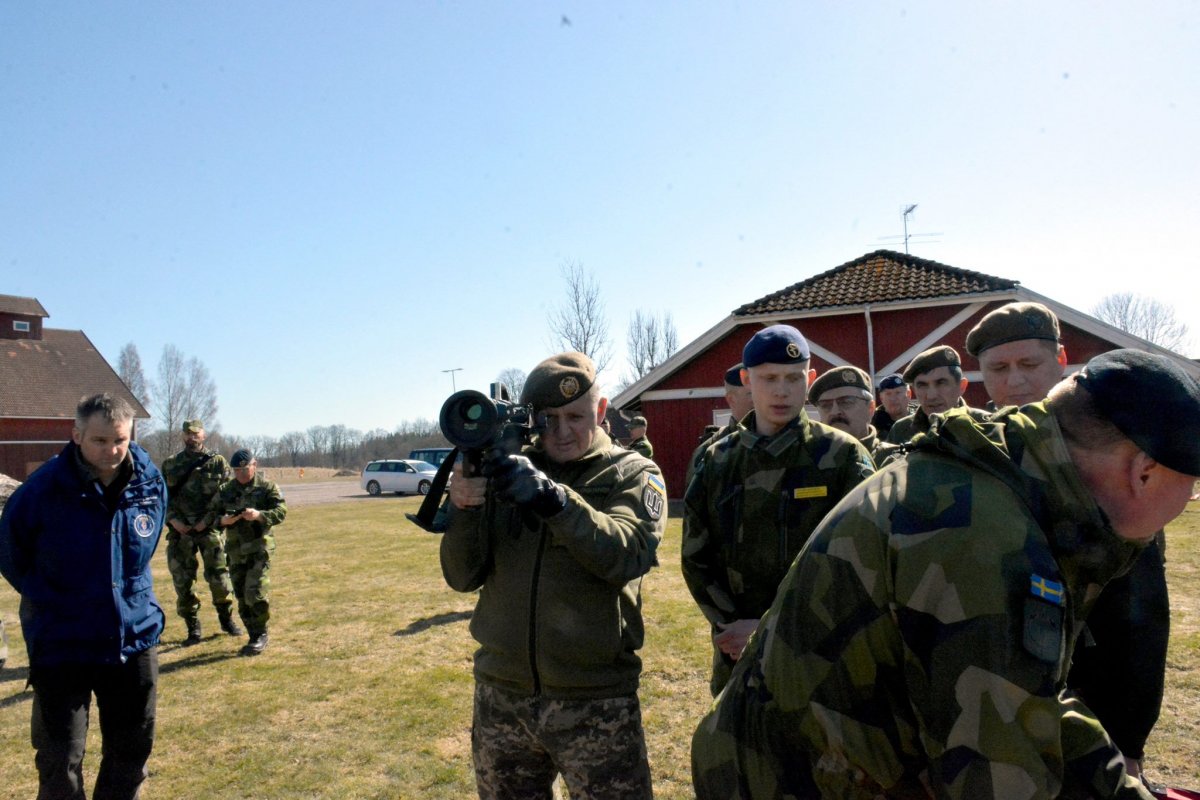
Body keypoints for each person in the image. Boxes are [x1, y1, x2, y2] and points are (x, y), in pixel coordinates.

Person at [691, 349, 1200, 800]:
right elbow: (998, 780)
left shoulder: (1006, 487)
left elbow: (1027, 696)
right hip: (781, 778)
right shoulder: (984, 538)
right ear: (1144, 472)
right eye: (1191, 486)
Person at [440, 351, 666, 799]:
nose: (562, 432)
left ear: (601, 411)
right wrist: (465, 507)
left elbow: (628, 554)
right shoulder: (506, 470)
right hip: (502, 697)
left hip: (595, 700)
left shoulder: (631, 472)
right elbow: (462, 576)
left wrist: (556, 502)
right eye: (548, 420)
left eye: (576, 417)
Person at [967, 302, 1169, 774]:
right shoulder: (975, 453)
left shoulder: (1109, 458)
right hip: (994, 695)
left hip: (1087, 698)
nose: (1015, 381)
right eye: (998, 369)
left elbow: (1139, 621)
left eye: (1029, 364)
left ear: (1061, 361)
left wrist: (1128, 742)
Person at [682, 325, 875, 696]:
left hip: (820, 655)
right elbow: (696, 558)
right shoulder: (717, 460)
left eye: (793, 378)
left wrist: (771, 629)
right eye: (769, 378)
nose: (782, 391)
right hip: (737, 656)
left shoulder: (843, 457)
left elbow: (862, 564)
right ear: (746, 380)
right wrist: (733, 626)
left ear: (810, 379)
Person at [0, 393, 166, 800]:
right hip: (63, 642)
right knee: (60, 759)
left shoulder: (148, 482)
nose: (112, 450)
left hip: (131, 638)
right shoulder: (42, 490)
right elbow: (11, 553)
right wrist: (56, 597)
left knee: (131, 751)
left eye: (120, 440)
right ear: (76, 435)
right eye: (99, 440)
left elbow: (146, 545)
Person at [161, 418, 241, 644]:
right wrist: (174, 521)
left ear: (203, 435)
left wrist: (206, 521)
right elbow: (162, 498)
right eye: (188, 434)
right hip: (181, 532)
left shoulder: (217, 462)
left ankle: (226, 619)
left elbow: (225, 496)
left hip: (209, 530)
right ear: (182, 436)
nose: (192, 437)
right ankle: (192, 627)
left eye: (196, 434)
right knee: (183, 582)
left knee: (220, 579)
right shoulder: (171, 464)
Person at [208, 448, 287, 656]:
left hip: (259, 548)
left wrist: (259, 515)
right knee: (242, 595)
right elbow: (211, 517)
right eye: (236, 470)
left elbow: (281, 512)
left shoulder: (267, 487)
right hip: (235, 551)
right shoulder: (226, 490)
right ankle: (253, 634)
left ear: (254, 465)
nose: (241, 474)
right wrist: (223, 520)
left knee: (255, 593)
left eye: (244, 469)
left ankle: (260, 633)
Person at [885, 344, 988, 444]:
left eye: (941, 383)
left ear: (961, 386)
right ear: (914, 390)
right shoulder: (901, 431)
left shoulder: (985, 424)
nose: (931, 396)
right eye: (922, 385)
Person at [684, 362, 755, 490]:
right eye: (751, 393)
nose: (761, 398)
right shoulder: (710, 451)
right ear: (731, 399)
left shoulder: (779, 440)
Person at [809, 364, 888, 463]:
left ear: (870, 408)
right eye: (826, 405)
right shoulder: (806, 462)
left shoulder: (894, 461)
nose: (835, 411)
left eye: (846, 402)